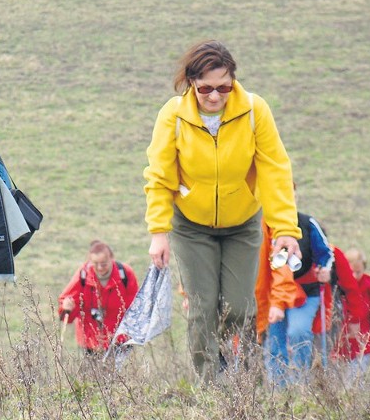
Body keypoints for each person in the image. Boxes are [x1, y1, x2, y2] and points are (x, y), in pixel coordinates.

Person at [143, 40, 301, 382]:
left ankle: (247, 385)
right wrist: (159, 232)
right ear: (191, 84)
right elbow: (159, 176)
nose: (215, 96)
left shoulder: (255, 111)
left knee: (241, 309)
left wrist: (286, 229)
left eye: (224, 87)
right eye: (206, 89)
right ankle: (210, 387)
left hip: (242, 224)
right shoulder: (173, 115)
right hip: (192, 226)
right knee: (202, 309)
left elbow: (275, 169)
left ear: (234, 82)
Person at [256, 212, 335, 385]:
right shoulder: (265, 223)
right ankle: (279, 390)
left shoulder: (307, 223)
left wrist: (325, 269)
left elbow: (326, 252)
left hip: (306, 292)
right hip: (274, 292)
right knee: (275, 342)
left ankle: (301, 383)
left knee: (297, 332)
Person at [58, 240, 139, 354]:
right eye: (95, 264)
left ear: (112, 258)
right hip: (90, 343)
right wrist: (67, 307)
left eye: (104, 263)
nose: (100, 268)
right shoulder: (83, 275)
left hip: (120, 341)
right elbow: (67, 313)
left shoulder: (125, 274)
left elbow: (136, 308)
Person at [334, 248, 370, 379]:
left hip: (362, 348)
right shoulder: (336, 288)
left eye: (358, 272)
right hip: (338, 349)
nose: (355, 276)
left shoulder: (369, 288)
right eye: (351, 272)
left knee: (353, 386)